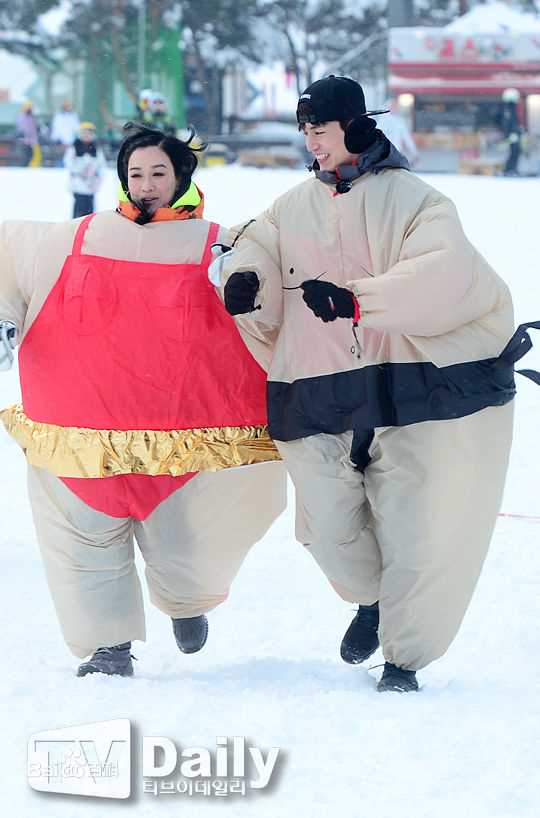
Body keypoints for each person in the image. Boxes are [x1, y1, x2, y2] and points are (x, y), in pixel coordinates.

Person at [213, 75, 539, 693]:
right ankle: (372, 600)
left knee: (421, 527)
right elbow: (252, 241)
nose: (313, 145)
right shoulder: (292, 205)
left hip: (415, 389)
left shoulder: (419, 202)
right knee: (324, 524)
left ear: (357, 128)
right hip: (317, 383)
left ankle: (404, 659)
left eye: (322, 132)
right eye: (306, 133)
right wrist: (247, 280)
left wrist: (360, 301)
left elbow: (446, 272)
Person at [0, 122, 286, 678]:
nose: (146, 184)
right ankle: (109, 648)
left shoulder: (220, 244)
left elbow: (268, 298)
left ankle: (188, 599)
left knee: (193, 541)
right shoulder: (77, 236)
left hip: (194, 434)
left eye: (158, 173)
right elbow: (11, 261)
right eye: (136, 174)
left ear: (181, 176)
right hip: (85, 432)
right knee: (84, 538)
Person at [63, 121, 107, 217]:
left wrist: (97, 178)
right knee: (78, 210)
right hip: (78, 184)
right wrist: (81, 169)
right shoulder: (75, 146)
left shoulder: (95, 148)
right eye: (84, 133)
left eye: (89, 133)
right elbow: (68, 162)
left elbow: (101, 165)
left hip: (91, 185)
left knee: (89, 212)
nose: (87, 135)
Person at [378, 98, 419, 166]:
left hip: (385, 154)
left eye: (395, 107)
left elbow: (407, 139)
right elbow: (407, 139)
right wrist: (414, 154)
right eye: (393, 107)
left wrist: (414, 154)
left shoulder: (381, 122)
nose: (394, 109)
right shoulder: (398, 122)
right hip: (392, 154)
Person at [498, 88, 522, 177]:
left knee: (514, 152)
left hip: (513, 134)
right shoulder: (509, 108)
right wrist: (512, 133)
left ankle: (511, 169)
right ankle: (510, 170)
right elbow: (509, 122)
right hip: (513, 135)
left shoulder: (509, 108)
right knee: (514, 152)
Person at [15, 100, 40, 167]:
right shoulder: (21, 117)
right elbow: (23, 129)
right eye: (28, 107)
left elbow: (34, 129)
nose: (29, 109)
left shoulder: (32, 117)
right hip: (24, 142)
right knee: (24, 158)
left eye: (30, 108)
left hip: (31, 142)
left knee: (31, 157)